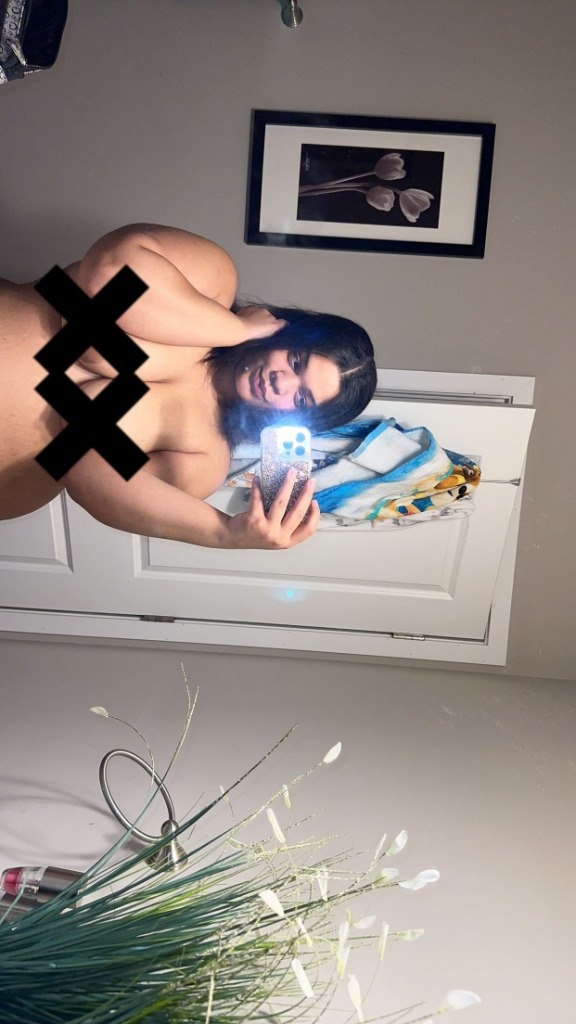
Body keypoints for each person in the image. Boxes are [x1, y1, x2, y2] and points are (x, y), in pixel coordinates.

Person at [0, 223, 376, 548]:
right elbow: (109, 269)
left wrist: (227, 533)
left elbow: (88, 477)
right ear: (289, 332)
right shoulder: (212, 284)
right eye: (296, 361)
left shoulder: (205, 456)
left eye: (301, 397)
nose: (282, 382)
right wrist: (235, 329)